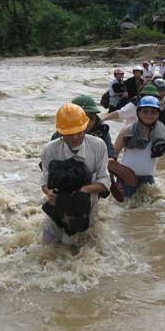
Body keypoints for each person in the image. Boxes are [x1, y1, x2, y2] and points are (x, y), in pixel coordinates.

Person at [40, 104, 111, 244]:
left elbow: (105, 181)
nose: (75, 137)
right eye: (69, 134)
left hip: (87, 207)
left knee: (85, 251)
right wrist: (49, 193)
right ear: (60, 131)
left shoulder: (98, 146)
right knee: (48, 250)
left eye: (79, 132)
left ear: (86, 127)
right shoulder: (49, 150)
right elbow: (44, 181)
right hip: (58, 206)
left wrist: (84, 190)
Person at [51, 95, 117, 159]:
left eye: (91, 118)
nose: (87, 123)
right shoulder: (62, 134)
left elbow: (110, 153)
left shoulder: (102, 130)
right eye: (81, 118)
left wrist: (111, 160)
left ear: (95, 119)